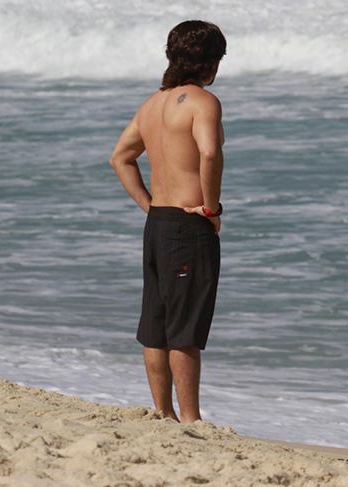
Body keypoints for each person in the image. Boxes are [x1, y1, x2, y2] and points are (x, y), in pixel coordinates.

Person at [109, 20, 227, 423]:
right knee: (186, 326)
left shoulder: (151, 105)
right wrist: (211, 210)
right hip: (188, 224)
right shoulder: (202, 101)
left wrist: (149, 205)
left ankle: (163, 413)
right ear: (210, 63)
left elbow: (120, 158)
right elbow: (209, 154)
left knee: (156, 323)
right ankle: (192, 419)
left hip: (158, 222)